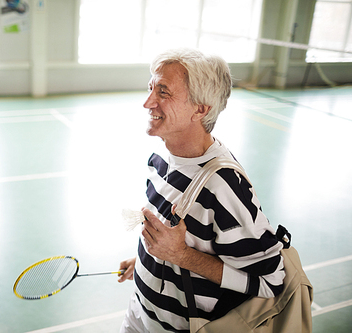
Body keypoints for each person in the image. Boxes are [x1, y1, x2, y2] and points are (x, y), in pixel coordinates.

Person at [118, 48, 286, 332]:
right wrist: (148, 259)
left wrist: (180, 256)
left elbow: (270, 282)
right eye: (150, 88)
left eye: (163, 92)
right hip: (139, 313)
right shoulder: (159, 160)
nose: (148, 102)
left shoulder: (223, 187)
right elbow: (178, 239)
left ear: (201, 109)